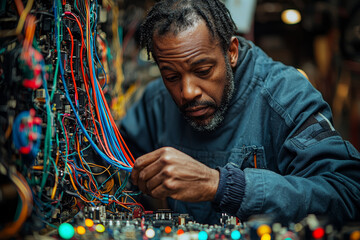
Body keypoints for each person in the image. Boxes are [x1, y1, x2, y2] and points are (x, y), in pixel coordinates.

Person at [119, 0, 360, 225]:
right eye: (171, 76)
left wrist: (222, 186)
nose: (188, 92)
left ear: (231, 52)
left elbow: (347, 193)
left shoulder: (285, 96)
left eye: (203, 70)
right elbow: (116, 168)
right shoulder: (157, 101)